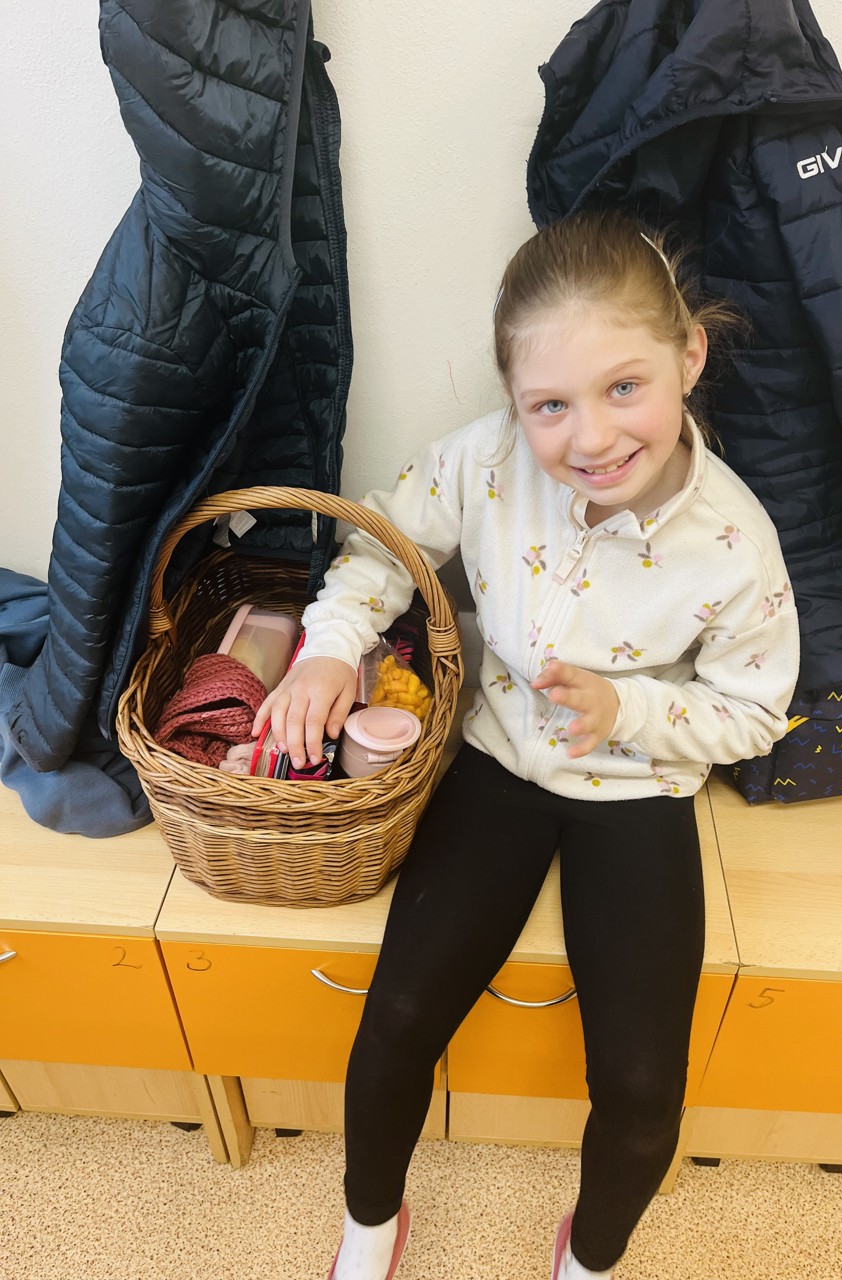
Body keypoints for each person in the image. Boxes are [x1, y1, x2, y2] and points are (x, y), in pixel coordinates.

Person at [251, 209, 801, 1280]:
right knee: (397, 1015)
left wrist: (627, 711)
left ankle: (587, 1259)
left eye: (624, 387)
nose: (590, 439)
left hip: (639, 791)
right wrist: (328, 648)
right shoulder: (487, 460)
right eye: (551, 404)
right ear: (514, 401)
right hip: (498, 762)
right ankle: (371, 1227)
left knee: (642, 1084)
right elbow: (385, 547)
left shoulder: (738, 544)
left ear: (689, 357)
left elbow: (752, 713)